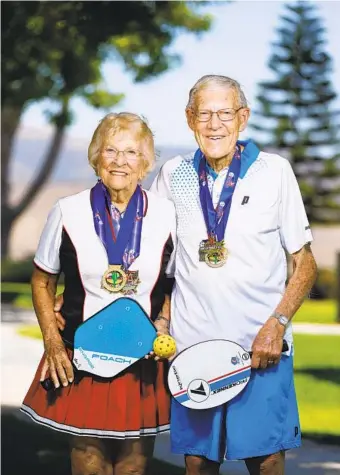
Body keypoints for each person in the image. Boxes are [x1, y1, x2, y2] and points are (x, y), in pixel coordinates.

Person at [150, 75, 318, 475]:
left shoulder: (275, 171)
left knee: (266, 460)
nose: (214, 124)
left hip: (260, 349)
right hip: (192, 352)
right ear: (189, 119)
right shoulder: (172, 175)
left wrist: (277, 324)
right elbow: (157, 260)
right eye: (204, 114)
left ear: (243, 117)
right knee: (198, 462)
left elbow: (305, 261)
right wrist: (162, 319)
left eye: (224, 113)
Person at [21, 112, 176, 475]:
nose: (120, 161)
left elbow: (171, 284)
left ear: (145, 163)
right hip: (82, 353)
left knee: (134, 466)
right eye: (110, 150)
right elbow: (42, 281)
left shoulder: (167, 215)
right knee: (89, 462)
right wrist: (52, 342)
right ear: (96, 157)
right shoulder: (67, 211)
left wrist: (164, 322)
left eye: (131, 152)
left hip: (141, 356)